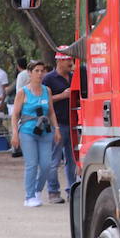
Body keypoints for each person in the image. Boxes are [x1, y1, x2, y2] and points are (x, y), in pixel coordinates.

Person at [10, 60, 54, 207]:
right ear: (29, 73)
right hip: (28, 130)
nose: (40, 74)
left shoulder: (47, 90)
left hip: (45, 130)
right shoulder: (23, 92)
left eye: (42, 71)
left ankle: (37, 190)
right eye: (37, 71)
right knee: (32, 164)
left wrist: (57, 129)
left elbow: (51, 112)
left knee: (47, 164)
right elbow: (15, 115)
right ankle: (29, 196)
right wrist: (15, 134)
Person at [42, 54, 76, 204]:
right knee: (54, 159)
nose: (71, 63)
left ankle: (72, 190)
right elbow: (43, 100)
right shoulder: (49, 79)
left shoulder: (74, 76)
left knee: (73, 160)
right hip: (57, 124)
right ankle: (53, 191)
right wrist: (62, 96)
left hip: (74, 123)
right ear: (59, 61)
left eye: (71, 60)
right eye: (68, 60)